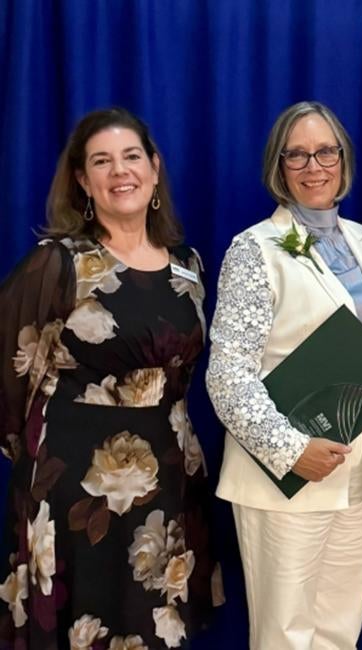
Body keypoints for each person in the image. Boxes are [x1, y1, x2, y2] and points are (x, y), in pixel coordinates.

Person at [0, 108, 222, 648]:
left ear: (154, 168)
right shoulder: (57, 263)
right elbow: (9, 373)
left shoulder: (187, 264)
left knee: (154, 626)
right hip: (79, 488)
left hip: (171, 480)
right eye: (102, 161)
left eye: (131, 157)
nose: (119, 171)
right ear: (83, 181)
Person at [207, 101, 362, 649]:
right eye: (297, 154)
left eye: (325, 151)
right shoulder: (254, 249)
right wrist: (292, 450)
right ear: (279, 165)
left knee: (340, 632)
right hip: (284, 478)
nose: (313, 165)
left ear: (343, 158)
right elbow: (227, 375)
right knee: (285, 637)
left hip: (360, 473)